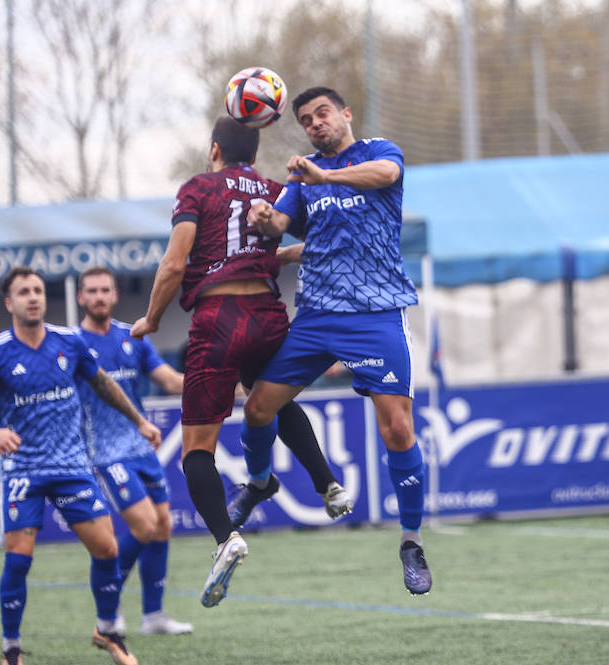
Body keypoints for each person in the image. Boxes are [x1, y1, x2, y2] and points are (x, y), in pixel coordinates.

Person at [132, 117, 353, 609]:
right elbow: (320, 237)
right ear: (253, 153)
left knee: (197, 448)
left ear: (214, 149)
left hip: (220, 317)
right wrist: (284, 256)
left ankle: (225, 539)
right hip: (270, 314)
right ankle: (328, 484)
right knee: (267, 399)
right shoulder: (274, 190)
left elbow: (173, 264)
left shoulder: (197, 188)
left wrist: (151, 319)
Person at [243, 86, 431, 595]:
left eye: (322, 113)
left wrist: (324, 175)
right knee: (258, 408)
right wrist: (268, 224)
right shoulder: (303, 177)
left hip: (375, 314)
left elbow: (386, 177)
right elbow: (280, 222)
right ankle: (259, 482)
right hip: (317, 317)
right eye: (305, 119)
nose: (315, 123)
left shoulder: (377, 153)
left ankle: (411, 541)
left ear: (345, 114)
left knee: (397, 429)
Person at [0, 267, 163, 665]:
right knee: (19, 560)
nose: (33, 298)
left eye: (38, 291)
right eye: (24, 292)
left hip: (71, 468)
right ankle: (11, 647)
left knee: (108, 550)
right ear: (9, 303)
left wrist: (138, 421)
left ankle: (107, 630)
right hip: (24, 470)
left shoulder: (69, 342)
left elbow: (103, 385)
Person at [75, 267, 193, 636]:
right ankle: (111, 604)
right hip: (105, 451)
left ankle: (153, 616)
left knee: (163, 527)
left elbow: (171, 381)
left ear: (115, 295)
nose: (98, 296)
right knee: (144, 524)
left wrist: (223, 386)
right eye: (91, 291)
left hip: (142, 446)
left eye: (105, 290)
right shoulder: (72, 343)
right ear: (81, 298)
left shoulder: (133, 336)